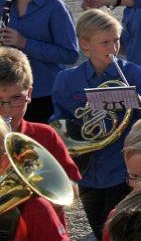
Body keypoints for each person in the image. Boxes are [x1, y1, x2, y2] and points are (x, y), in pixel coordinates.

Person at [50, 10, 141, 241]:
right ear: (85, 44)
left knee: (126, 238)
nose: (113, 47)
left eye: (116, 40)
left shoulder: (134, 74)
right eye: (105, 42)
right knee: (103, 238)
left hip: (124, 171)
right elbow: (60, 121)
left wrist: (140, 102)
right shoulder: (66, 80)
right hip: (88, 172)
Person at [0, 0, 78, 122]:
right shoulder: (2, 0)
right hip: (7, 95)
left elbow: (70, 54)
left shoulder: (54, 7)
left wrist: (24, 43)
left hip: (44, 95)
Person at [0, 47, 81, 188]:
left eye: (16, 98)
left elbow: (70, 186)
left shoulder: (46, 135)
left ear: (29, 94)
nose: (6, 109)